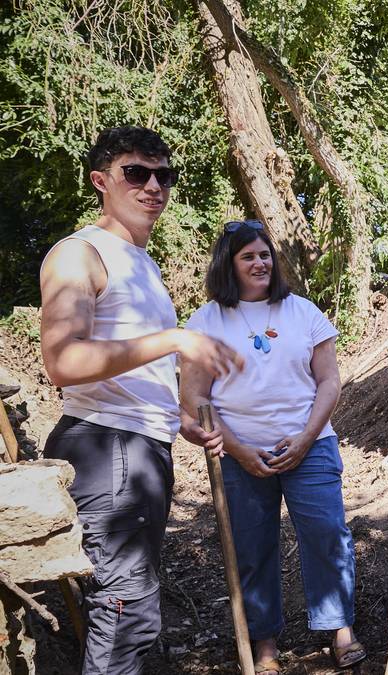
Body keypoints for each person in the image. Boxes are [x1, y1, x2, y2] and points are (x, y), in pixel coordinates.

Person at [39, 126, 242, 674]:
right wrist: (176, 340)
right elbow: (63, 362)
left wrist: (178, 418)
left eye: (163, 175)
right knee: (127, 610)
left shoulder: (142, 263)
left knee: (131, 609)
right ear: (101, 181)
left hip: (138, 448)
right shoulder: (78, 254)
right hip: (107, 448)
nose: (153, 185)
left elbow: (127, 371)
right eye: (136, 173)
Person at [179, 222, 363, 674]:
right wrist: (238, 449)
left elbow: (329, 381)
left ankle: (340, 629)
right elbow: (195, 398)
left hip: (311, 445)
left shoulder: (302, 312)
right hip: (240, 456)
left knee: (325, 534)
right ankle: (264, 643)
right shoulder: (206, 321)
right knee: (251, 546)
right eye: (248, 257)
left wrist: (304, 439)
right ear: (229, 264)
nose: (260, 263)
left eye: (265, 255)